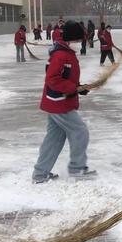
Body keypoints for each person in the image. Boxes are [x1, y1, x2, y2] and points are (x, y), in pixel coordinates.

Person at [32, 20, 97, 184]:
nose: (79, 44)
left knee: (54, 138)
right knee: (80, 131)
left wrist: (78, 87)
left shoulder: (65, 52)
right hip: (59, 102)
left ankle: (40, 173)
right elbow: (52, 78)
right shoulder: (61, 55)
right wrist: (73, 88)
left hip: (56, 101)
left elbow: (64, 77)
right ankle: (77, 168)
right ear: (71, 39)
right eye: (78, 40)